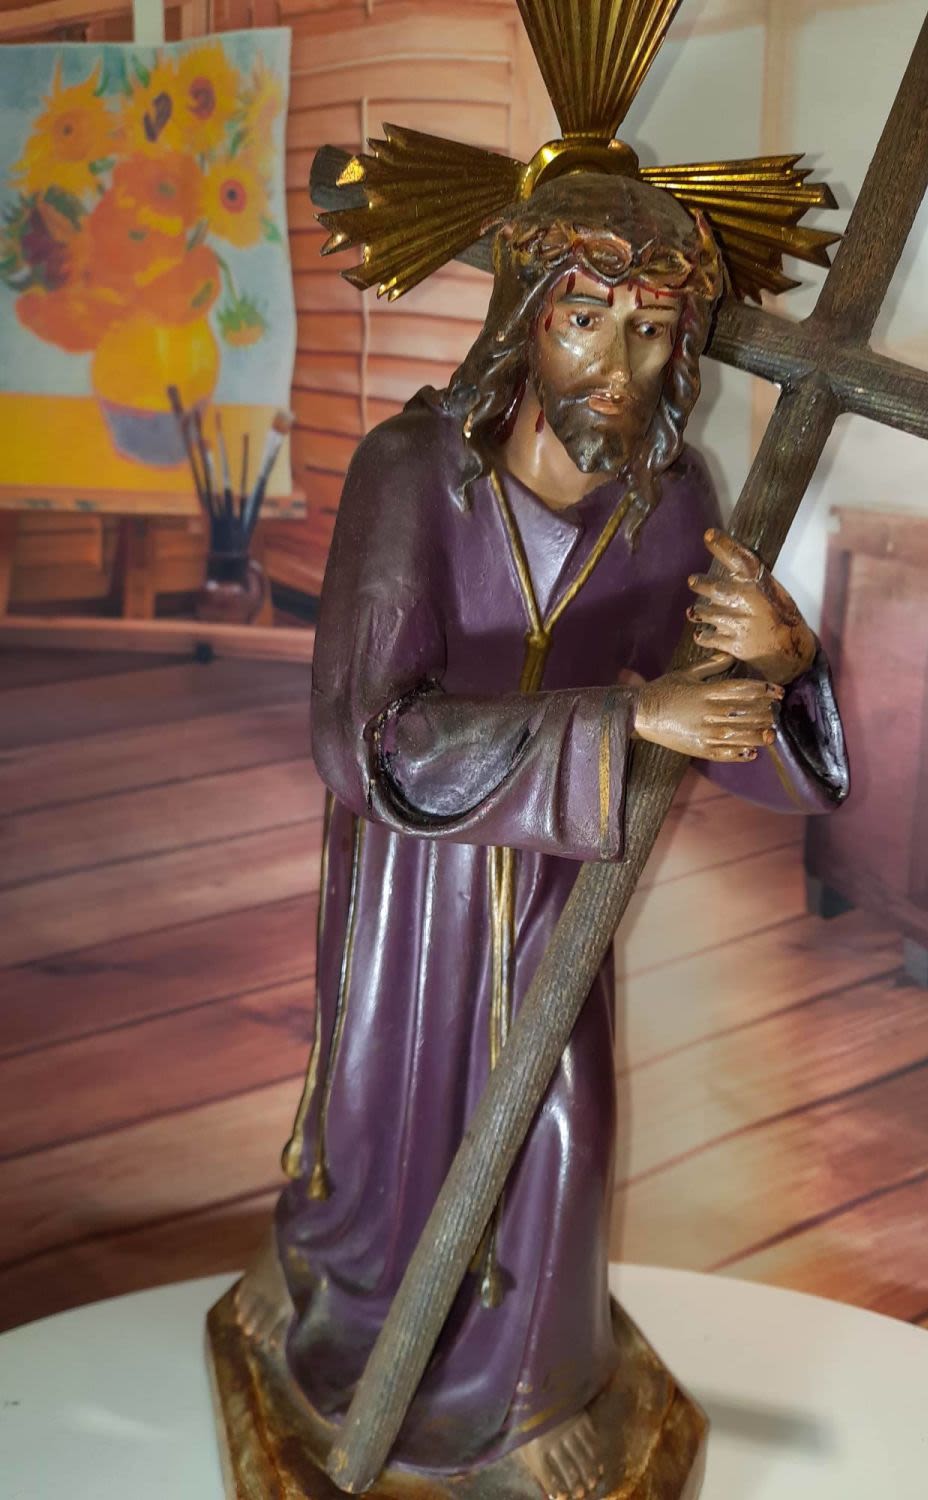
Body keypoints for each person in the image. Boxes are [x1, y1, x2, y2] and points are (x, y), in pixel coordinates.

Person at [234, 173, 848, 1498]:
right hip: (418, 880)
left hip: (563, 883)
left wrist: (780, 660)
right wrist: (629, 719)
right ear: (523, 316)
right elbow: (367, 737)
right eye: (584, 319)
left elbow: (725, 732)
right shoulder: (412, 475)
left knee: (560, 1125)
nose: (618, 364)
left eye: (652, 330)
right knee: (391, 1119)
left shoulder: (670, 497)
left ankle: (531, 1387)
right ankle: (340, 1306)